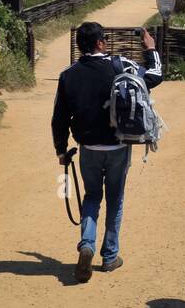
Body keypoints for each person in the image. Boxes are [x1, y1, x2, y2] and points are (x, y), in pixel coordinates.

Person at [51, 22, 163, 282]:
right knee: (115, 199)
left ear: (80, 45)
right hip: (118, 145)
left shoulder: (68, 75)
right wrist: (151, 49)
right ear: (101, 43)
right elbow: (155, 76)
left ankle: (87, 244)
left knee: (91, 197)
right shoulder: (119, 65)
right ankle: (110, 256)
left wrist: (60, 149)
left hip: (88, 148)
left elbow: (58, 118)